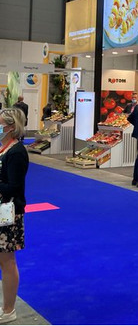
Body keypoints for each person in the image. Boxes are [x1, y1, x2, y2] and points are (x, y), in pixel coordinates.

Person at [0, 108, 29, 324]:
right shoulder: (4, 148)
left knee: (7, 261)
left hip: (8, 213)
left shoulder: (17, 152)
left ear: (11, 127)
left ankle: (9, 309)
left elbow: (14, 187)